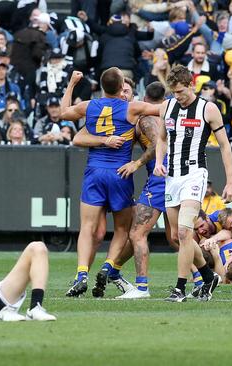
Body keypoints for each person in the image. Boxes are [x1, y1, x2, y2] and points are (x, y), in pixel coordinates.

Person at [60, 68, 161, 297]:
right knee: (123, 228)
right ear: (120, 89)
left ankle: (82, 273)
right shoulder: (131, 109)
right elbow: (162, 108)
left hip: (94, 171)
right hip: (120, 173)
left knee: (87, 227)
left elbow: (64, 113)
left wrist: (72, 83)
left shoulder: (90, 106)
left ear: (102, 87)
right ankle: (107, 267)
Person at [153, 64, 232, 302]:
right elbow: (161, 138)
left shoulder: (208, 109)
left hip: (194, 174)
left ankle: (179, 288)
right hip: (171, 177)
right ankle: (209, 276)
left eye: (180, 91)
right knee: (179, 237)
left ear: (191, 85)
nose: (176, 96)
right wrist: (159, 161)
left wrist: (230, 182)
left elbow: (224, 145)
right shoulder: (166, 107)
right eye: (173, 92)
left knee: (184, 230)